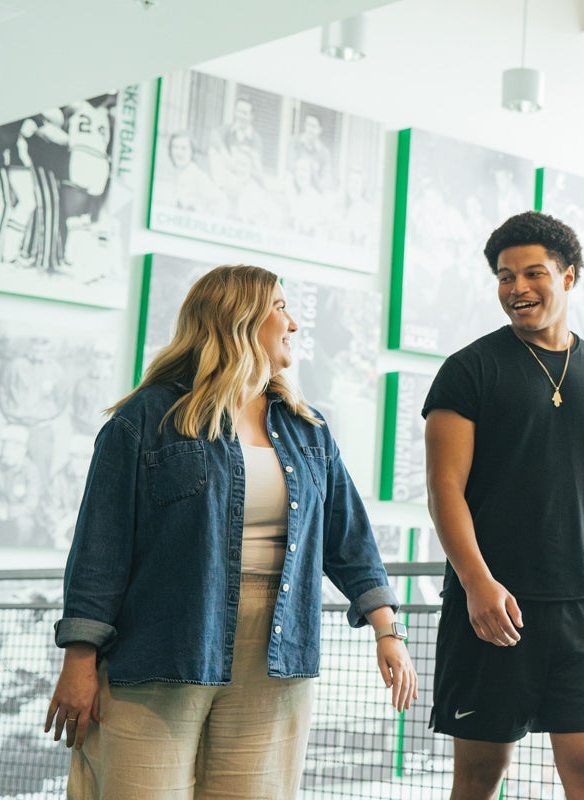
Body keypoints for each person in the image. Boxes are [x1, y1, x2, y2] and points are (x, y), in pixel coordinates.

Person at [46, 264, 417, 799]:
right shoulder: (145, 419)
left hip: (278, 655)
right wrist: (79, 660)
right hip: (164, 646)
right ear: (238, 317)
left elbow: (349, 539)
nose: (294, 323)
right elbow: (100, 549)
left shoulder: (307, 429)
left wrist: (388, 630)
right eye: (281, 307)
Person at [424, 211, 584, 800]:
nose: (516, 288)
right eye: (504, 277)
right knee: (479, 779)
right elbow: (444, 488)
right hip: (493, 607)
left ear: (568, 276)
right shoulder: (468, 371)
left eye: (532, 273)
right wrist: (476, 583)